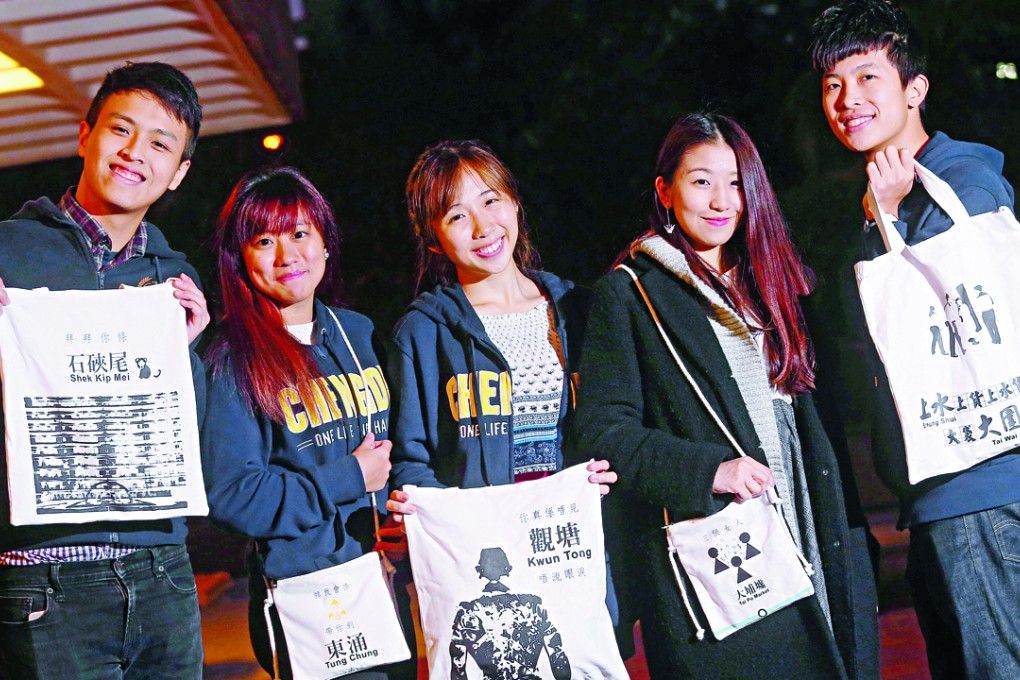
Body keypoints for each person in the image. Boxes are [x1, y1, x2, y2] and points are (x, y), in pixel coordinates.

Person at [571, 112, 879, 679]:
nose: (720, 200)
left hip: (813, 523)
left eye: (735, 182)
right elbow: (602, 432)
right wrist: (710, 470)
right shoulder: (631, 293)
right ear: (665, 191)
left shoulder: (778, 280)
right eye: (701, 181)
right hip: (725, 546)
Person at [810, 2, 1020, 677]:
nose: (848, 101)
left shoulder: (959, 182)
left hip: (979, 483)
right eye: (833, 85)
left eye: (868, 78)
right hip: (949, 487)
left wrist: (892, 218)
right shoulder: (893, 193)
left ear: (914, 89)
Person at [0, 61, 208, 679]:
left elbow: (187, 435)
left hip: (162, 571)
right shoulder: (8, 253)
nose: (134, 153)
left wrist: (188, 350)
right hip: (43, 578)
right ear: (84, 134)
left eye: (159, 143)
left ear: (179, 173)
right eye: (121, 130)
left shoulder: (176, 280)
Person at [383, 139, 620, 651]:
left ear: (514, 203)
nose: (483, 226)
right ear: (434, 240)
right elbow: (413, 460)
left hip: (575, 551)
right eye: (456, 215)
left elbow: (614, 423)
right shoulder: (424, 333)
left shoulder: (578, 309)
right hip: (486, 567)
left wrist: (603, 469)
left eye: (491, 200)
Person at [200, 166, 395, 679]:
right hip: (309, 600)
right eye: (264, 240)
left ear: (326, 244)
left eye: (300, 234)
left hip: (381, 581)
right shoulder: (231, 358)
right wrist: (348, 477)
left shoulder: (357, 334)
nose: (287, 256)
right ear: (240, 258)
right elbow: (233, 495)